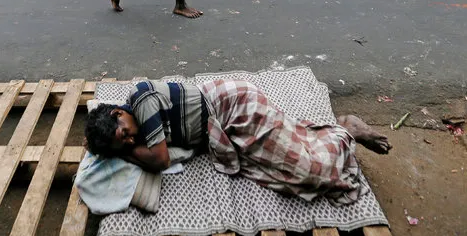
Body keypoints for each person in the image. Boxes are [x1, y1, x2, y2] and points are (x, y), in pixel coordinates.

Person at [85, 79, 392, 205]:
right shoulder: (133, 116)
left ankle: (347, 129)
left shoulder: (142, 103)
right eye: (124, 143)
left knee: (310, 172)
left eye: (124, 132)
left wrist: (124, 154)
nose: (131, 139)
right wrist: (122, 149)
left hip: (234, 107)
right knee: (283, 169)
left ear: (117, 111)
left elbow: (160, 160)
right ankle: (327, 133)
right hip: (223, 126)